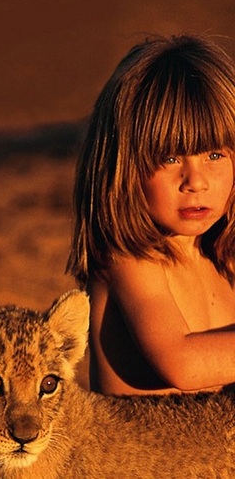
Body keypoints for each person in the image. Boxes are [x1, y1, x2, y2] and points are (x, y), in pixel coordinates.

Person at [66, 34, 235, 395]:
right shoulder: (128, 260)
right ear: (124, 169)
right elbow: (184, 364)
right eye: (170, 159)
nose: (195, 181)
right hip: (148, 452)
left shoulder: (223, 255)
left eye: (215, 156)